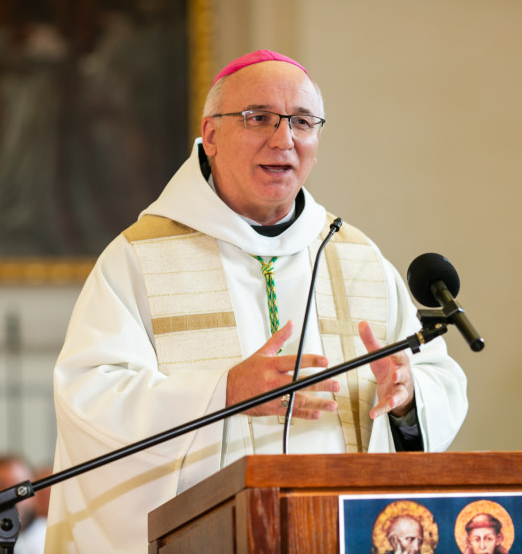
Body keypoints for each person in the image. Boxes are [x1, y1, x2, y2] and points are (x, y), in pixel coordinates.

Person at [44, 49, 468, 553]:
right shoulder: (139, 257)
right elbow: (91, 398)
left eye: (302, 122)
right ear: (211, 135)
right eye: (259, 118)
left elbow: (436, 378)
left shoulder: (357, 259)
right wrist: (221, 393)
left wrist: (407, 399)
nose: (284, 139)